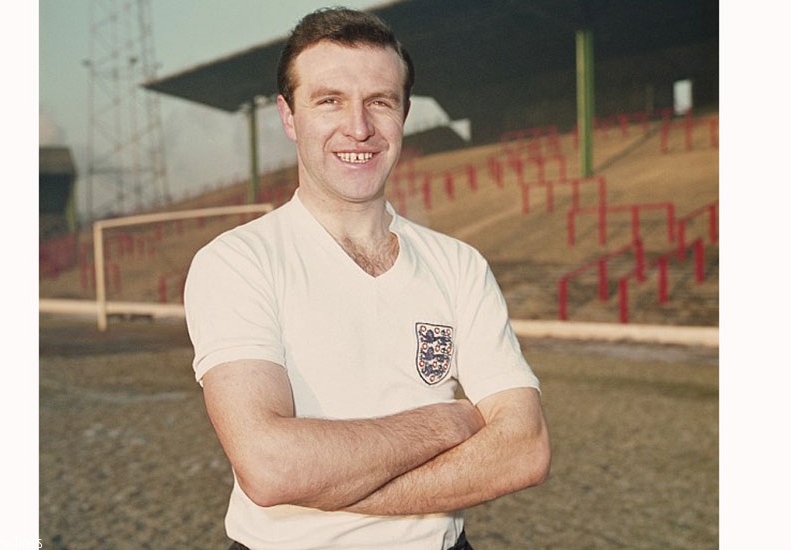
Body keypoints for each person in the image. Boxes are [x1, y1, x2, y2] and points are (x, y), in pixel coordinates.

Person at [184, 7, 551, 550]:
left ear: (403, 113)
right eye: (329, 100)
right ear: (289, 116)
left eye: (380, 102)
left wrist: (331, 488)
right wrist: (446, 424)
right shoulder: (238, 261)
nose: (358, 127)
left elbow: (525, 448)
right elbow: (270, 466)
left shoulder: (459, 264)